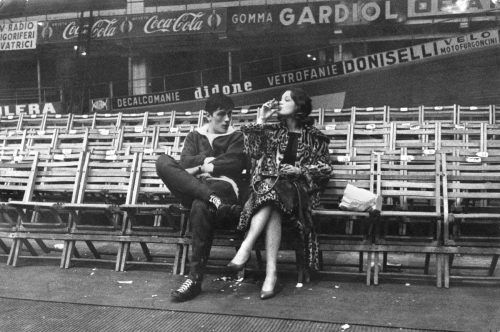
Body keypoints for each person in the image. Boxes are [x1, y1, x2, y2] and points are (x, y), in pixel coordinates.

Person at [227, 88, 332, 300]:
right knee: (273, 201)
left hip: (299, 194)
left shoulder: (315, 136)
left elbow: (326, 169)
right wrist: (261, 119)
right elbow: (253, 153)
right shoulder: (272, 131)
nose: (281, 102)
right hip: (269, 191)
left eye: (287, 99)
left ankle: (246, 248)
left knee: (274, 192)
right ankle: (271, 274)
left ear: (299, 105)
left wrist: (300, 171)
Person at [156, 93, 246, 302]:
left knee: (199, 205)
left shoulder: (236, 136)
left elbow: (235, 162)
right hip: (195, 188)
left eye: (229, 115)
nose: (226, 120)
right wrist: (206, 161)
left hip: (224, 187)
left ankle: (194, 279)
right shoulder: (194, 136)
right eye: (221, 115)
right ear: (207, 116)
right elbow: (184, 163)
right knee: (162, 161)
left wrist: (203, 167)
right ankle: (211, 198)